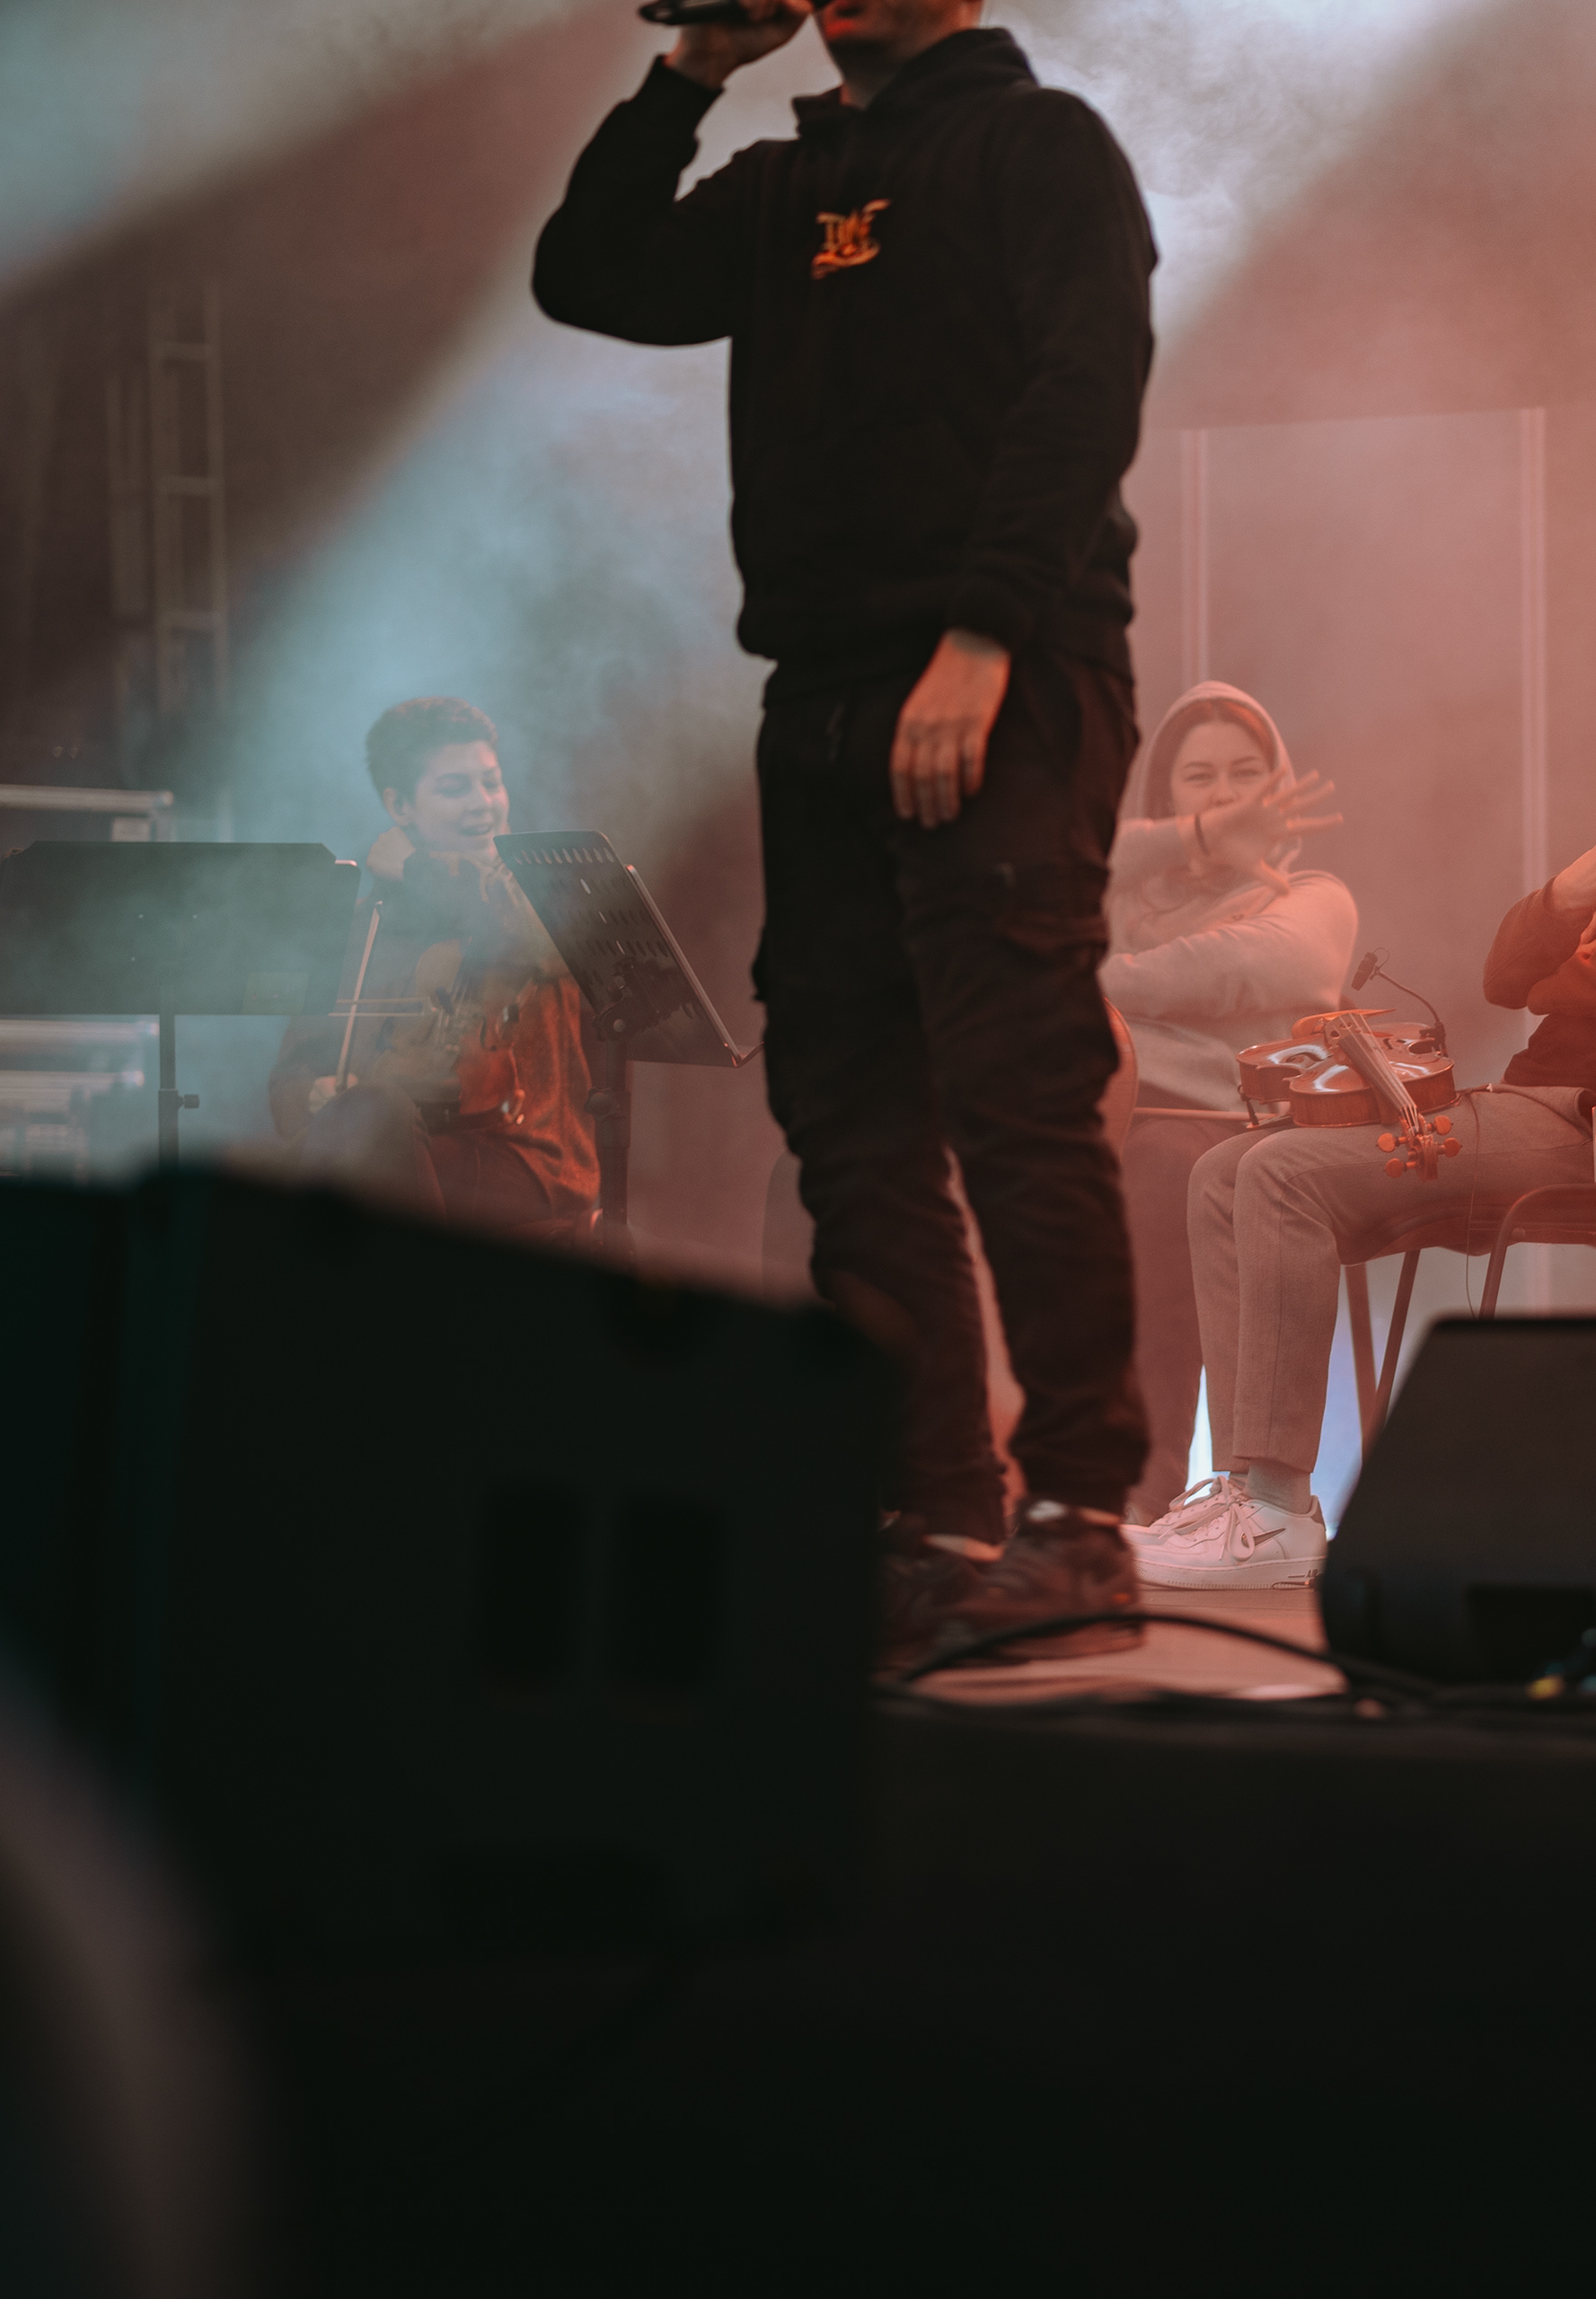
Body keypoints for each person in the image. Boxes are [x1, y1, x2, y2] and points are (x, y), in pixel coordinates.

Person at [532, 0, 1162, 1665]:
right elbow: (588, 277)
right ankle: (936, 1517)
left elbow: (1087, 387)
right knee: (851, 1119)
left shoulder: (1038, 146)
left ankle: (1081, 1522)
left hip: (998, 673)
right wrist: (689, 75)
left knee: (1016, 1090)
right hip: (817, 692)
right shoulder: (784, 185)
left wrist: (986, 632)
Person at [1131, 575, 1596, 1586]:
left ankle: (1274, 1510)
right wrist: (1570, 895)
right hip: (1540, 1108)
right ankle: (1244, 1493)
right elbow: (1504, 974)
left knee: (1280, 1173)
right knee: (1225, 1170)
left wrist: (1577, 969)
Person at [1105, 683, 1353, 1521]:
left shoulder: (1311, 896)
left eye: (1247, 774)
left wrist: (1082, 978)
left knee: (1163, 1171)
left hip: (1223, 1129)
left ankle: (1147, 1482)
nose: (1226, 796)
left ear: (1278, 786)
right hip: (1091, 1118)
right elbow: (1060, 862)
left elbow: (1238, 967)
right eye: (1199, 778)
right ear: (1165, 799)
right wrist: (1194, 839)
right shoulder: (1114, 898)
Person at [267, 698, 601, 1237]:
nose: (483, 804)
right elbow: (293, 1070)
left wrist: (418, 868)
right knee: (370, 1130)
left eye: (492, 783)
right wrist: (314, 1094)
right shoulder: (360, 924)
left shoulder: (536, 900)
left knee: (368, 1141)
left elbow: (521, 938)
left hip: (527, 1162)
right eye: (455, 788)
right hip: (395, 1146)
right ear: (399, 806)